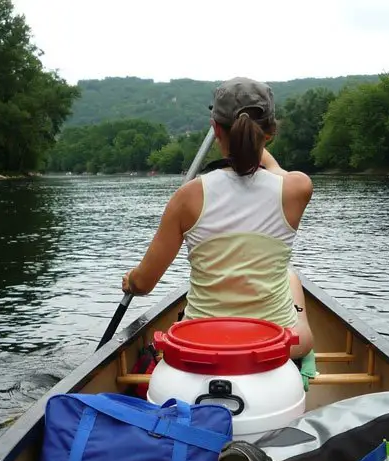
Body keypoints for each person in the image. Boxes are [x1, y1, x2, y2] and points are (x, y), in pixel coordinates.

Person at [121, 77, 316, 361]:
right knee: (291, 278)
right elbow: (275, 170)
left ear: (216, 130)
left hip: (201, 344)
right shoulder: (298, 188)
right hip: (273, 343)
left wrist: (131, 282)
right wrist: (254, 142)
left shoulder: (187, 197)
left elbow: (145, 283)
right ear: (270, 133)